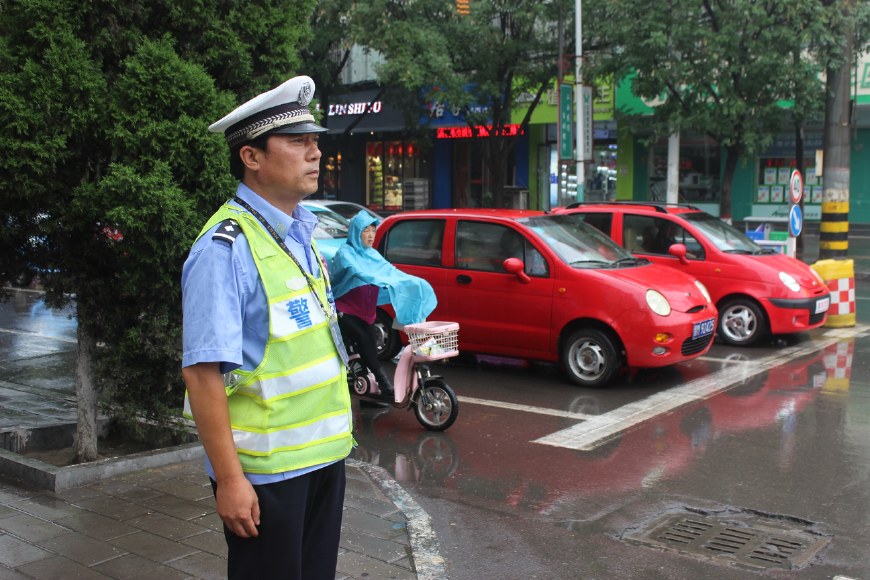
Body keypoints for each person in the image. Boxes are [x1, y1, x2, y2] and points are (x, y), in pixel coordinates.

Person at [180, 75, 353, 579]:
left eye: (315, 140)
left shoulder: (300, 231)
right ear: (251, 157)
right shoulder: (223, 249)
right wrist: (230, 480)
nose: (314, 152)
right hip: (267, 475)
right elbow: (201, 374)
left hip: (322, 460)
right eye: (297, 142)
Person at [329, 211, 436, 399]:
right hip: (344, 310)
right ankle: (385, 385)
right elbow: (358, 271)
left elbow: (390, 270)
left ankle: (371, 383)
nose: (371, 235)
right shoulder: (345, 253)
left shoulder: (373, 254)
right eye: (366, 231)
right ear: (356, 232)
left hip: (366, 312)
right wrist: (382, 278)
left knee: (371, 346)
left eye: (373, 230)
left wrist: (411, 282)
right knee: (363, 339)